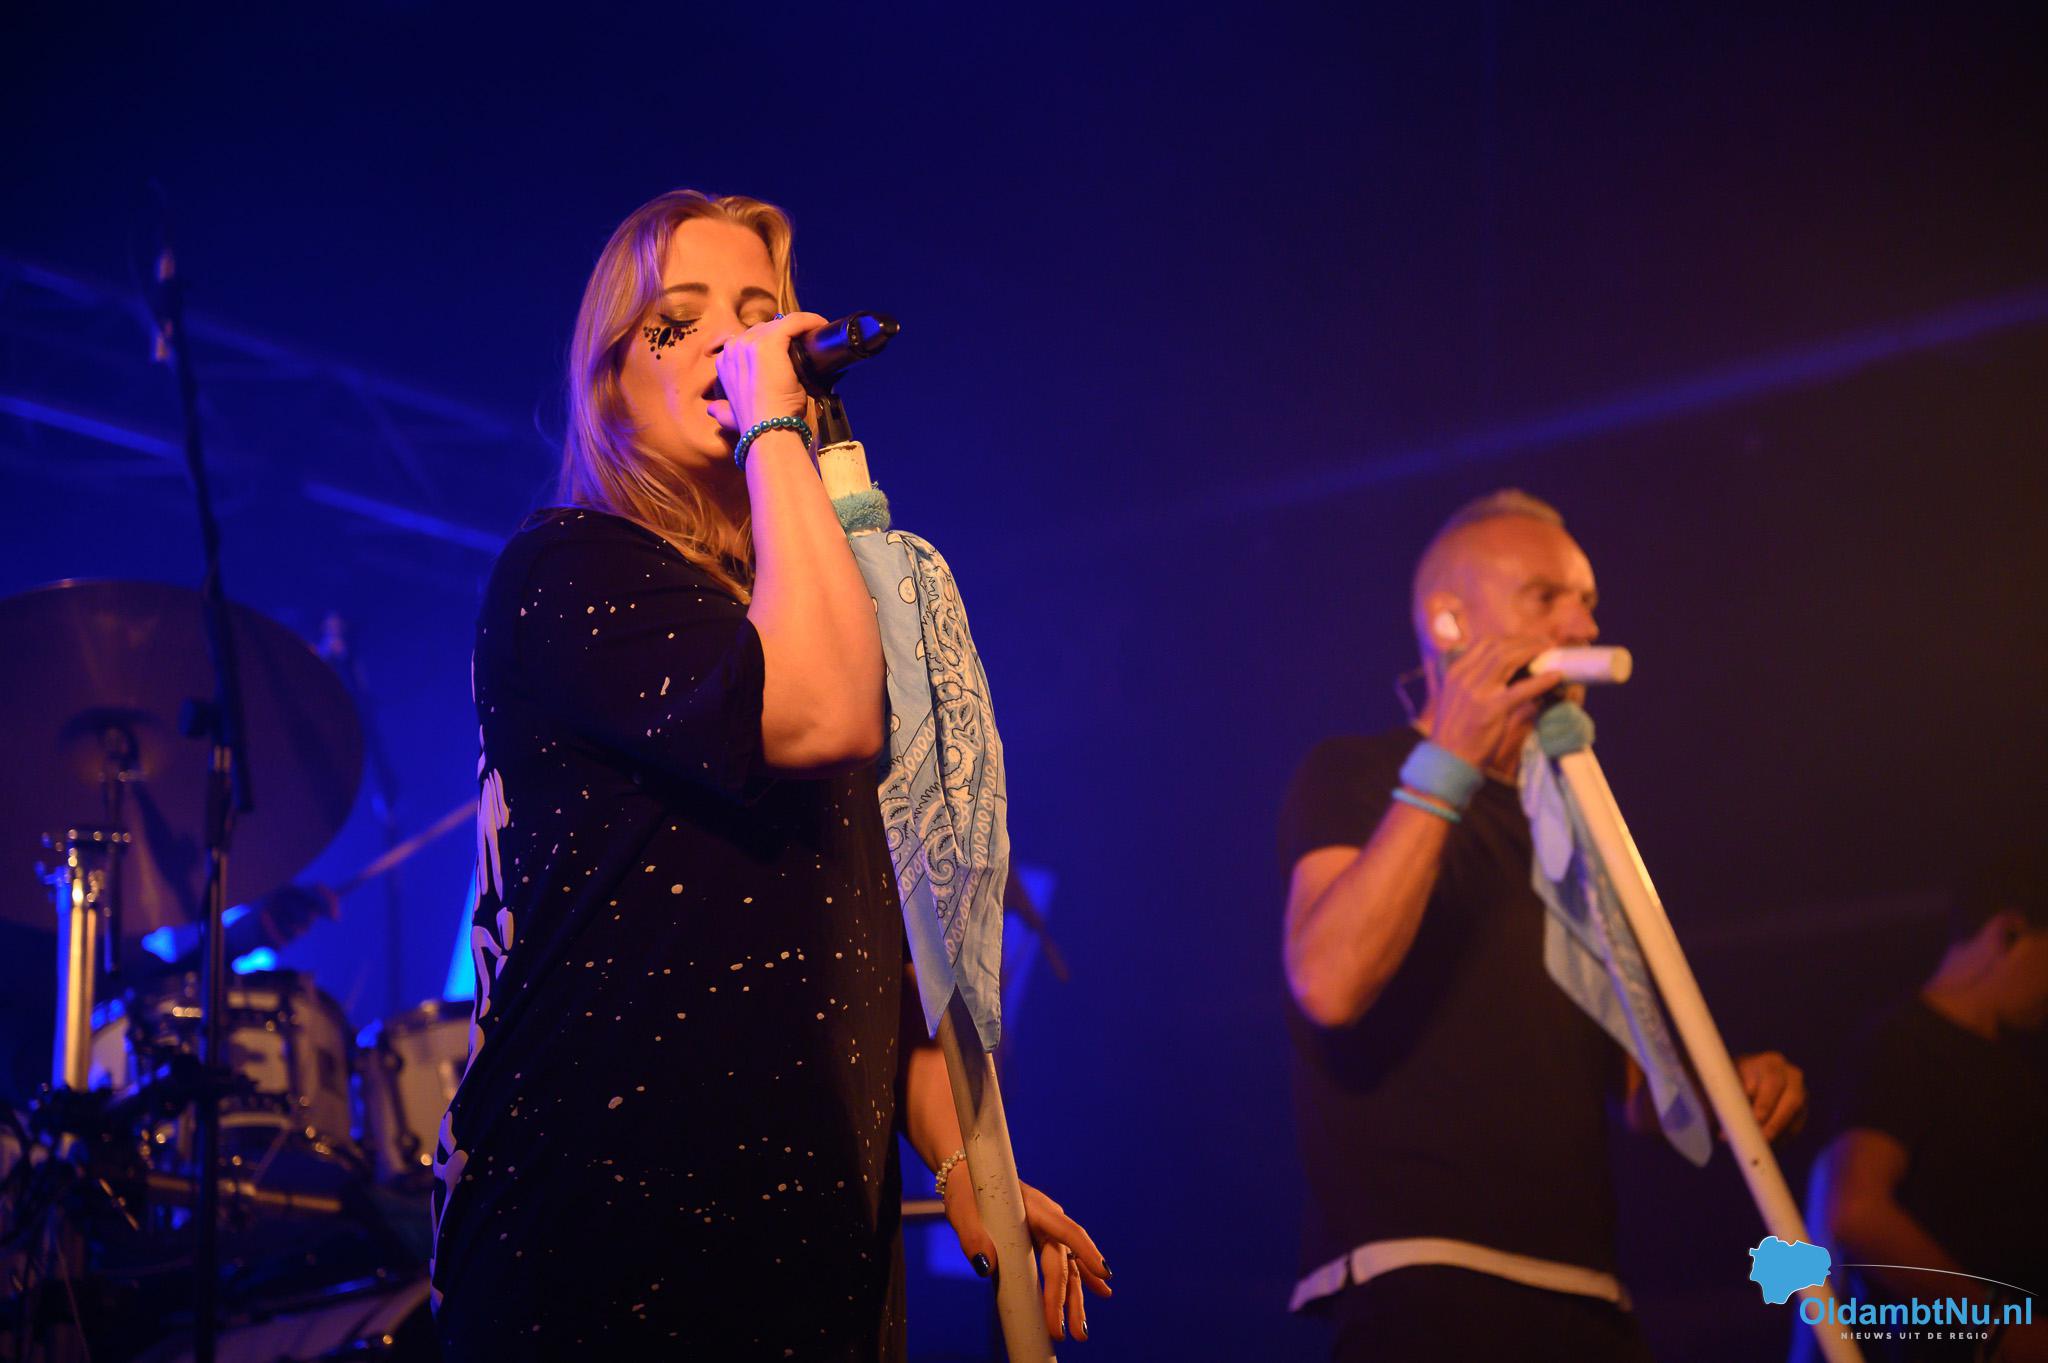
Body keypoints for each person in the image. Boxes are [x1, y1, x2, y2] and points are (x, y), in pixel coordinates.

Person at [429, 189, 1108, 1360]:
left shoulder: (801, 611)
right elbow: (822, 708)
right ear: (607, 383)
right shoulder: (572, 569)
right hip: (608, 1248)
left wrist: (970, 1172)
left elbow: (878, 949)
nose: (728, 346)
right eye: (675, 322)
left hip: (810, 1258)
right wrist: (772, 431)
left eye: (756, 316)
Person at [1277, 489, 1809, 1362]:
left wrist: (1727, 1089)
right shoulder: (1358, 774)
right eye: (1546, 597)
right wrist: (1452, 757)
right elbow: (1328, 981)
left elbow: (1639, 1087)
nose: (1583, 624)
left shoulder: (1576, 821)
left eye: (1588, 600)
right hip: (1424, 1281)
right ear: (1448, 621)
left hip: (1588, 1291)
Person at [1801, 850, 2048, 1363]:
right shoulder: (1904, 1045)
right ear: (2009, 933)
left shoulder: (2017, 1061)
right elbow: (1855, 1210)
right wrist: (2002, 1329)